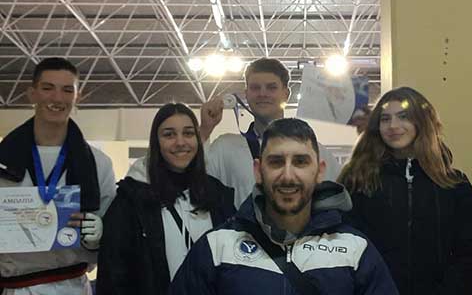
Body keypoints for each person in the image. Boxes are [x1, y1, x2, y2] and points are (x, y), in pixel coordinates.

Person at [169, 118, 398, 295]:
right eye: (276, 162)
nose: (288, 176)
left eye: (300, 162)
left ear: (319, 171)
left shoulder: (355, 249)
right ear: (258, 171)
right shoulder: (218, 247)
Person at [338, 87, 472, 294]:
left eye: (403, 117)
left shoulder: (454, 184)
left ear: (422, 122)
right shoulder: (357, 179)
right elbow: (345, 246)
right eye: (385, 119)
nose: (393, 126)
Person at [0, 57, 116, 295]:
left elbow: (114, 233)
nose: (57, 98)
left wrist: (100, 235)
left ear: (78, 97)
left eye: (67, 90)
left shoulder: (98, 164)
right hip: (13, 287)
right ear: (32, 94)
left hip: (72, 286)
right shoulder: (3, 159)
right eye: (47, 88)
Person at [96, 103, 236, 295]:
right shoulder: (132, 199)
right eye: (169, 135)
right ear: (156, 142)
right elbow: (114, 273)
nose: (180, 142)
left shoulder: (217, 194)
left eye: (188, 133)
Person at [200, 57, 341, 207]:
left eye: (271, 87)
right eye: (255, 88)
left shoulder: (314, 152)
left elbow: (338, 200)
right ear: (246, 94)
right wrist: (204, 131)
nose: (262, 94)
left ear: (286, 94)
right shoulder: (225, 148)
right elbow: (196, 185)